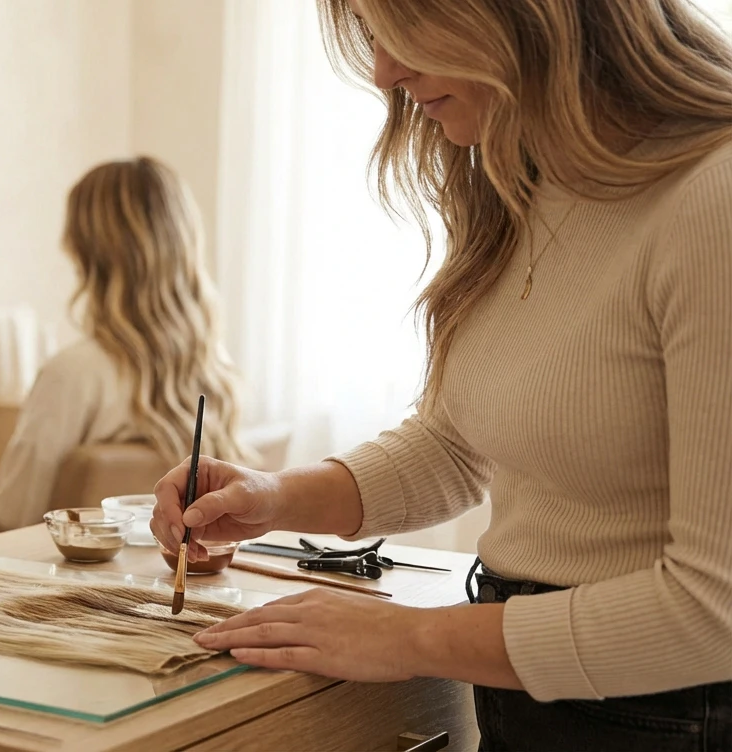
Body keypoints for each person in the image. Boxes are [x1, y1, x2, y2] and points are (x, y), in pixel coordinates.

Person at [149, 1, 732, 749]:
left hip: (670, 713)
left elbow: (715, 613)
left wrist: (408, 639)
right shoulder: (527, 184)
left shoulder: (711, 201)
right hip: (535, 694)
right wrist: (273, 498)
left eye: (406, 26)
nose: (383, 70)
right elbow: (459, 444)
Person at [0, 156, 258, 532]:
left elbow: (13, 518)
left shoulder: (74, 372)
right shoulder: (214, 368)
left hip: (46, 561)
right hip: (146, 556)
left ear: (87, 251)